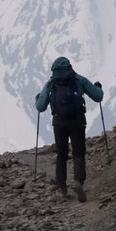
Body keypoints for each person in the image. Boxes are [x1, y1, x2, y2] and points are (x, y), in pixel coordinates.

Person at [34, 57, 104, 202]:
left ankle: (62, 188)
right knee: (78, 152)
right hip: (77, 121)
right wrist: (99, 87)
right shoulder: (78, 80)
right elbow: (98, 97)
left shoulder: (51, 84)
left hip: (59, 122)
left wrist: (37, 99)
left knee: (62, 154)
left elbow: (40, 107)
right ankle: (78, 181)